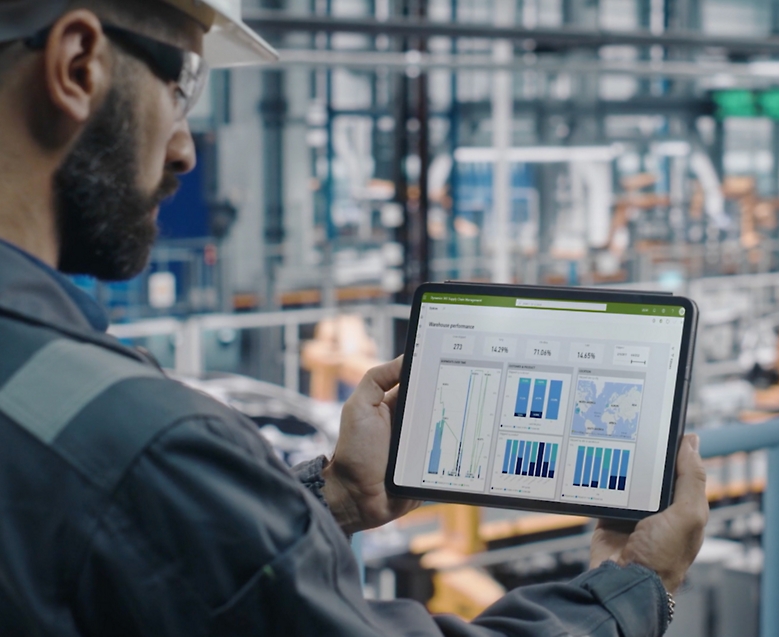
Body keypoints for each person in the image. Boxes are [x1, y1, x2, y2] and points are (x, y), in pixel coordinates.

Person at [0, 1, 711, 634]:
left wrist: (333, 496)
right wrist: (634, 587)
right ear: (77, 64)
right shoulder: (141, 443)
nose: (185, 147)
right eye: (183, 85)